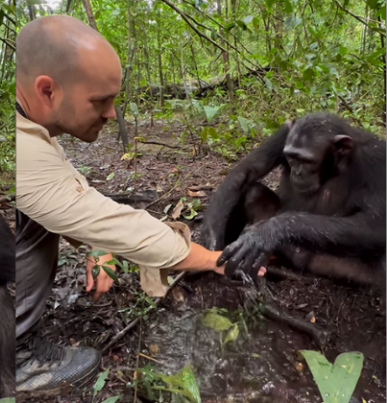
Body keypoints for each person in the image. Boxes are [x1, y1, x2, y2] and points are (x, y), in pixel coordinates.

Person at [14, 15, 265, 394]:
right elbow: (116, 223)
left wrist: (97, 245)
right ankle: (18, 359)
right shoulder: (24, 152)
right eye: (100, 101)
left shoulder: (29, 125)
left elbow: (68, 195)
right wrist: (215, 260)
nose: (113, 113)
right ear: (47, 90)